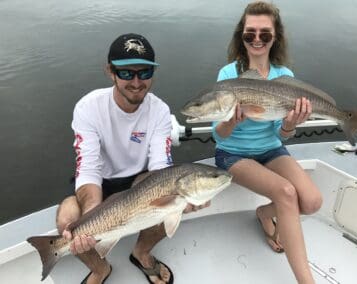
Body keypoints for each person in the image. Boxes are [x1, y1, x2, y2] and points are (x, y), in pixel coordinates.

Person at [56, 33, 207, 284]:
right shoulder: (88, 107)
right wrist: (94, 216)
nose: (136, 82)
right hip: (100, 183)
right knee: (67, 219)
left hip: (140, 182)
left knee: (170, 203)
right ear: (110, 72)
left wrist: (183, 197)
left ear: (152, 74)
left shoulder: (159, 110)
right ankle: (100, 268)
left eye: (144, 73)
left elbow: (161, 168)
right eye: (127, 73)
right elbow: (88, 169)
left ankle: (141, 252)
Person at [213, 2, 322, 284]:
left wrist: (289, 124)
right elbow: (218, 135)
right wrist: (231, 121)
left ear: (276, 37)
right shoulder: (228, 75)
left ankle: (264, 213)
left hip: (270, 149)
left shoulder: (284, 77)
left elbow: (281, 134)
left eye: (265, 33)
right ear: (242, 36)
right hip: (233, 155)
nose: (257, 40)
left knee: (312, 201)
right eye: (250, 34)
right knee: (286, 193)